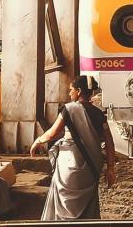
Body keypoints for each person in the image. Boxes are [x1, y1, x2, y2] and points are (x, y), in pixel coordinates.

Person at [31, 76, 117, 220]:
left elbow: (52, 133)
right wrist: (110, 168)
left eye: (71, 90)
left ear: (79, 91)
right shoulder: (99, 114)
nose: (69, 93)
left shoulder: (69, 109)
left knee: (64, 200)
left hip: (69, 164)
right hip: (92, 166)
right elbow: (109, 143)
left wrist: (38, 141)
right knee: (88, 201)